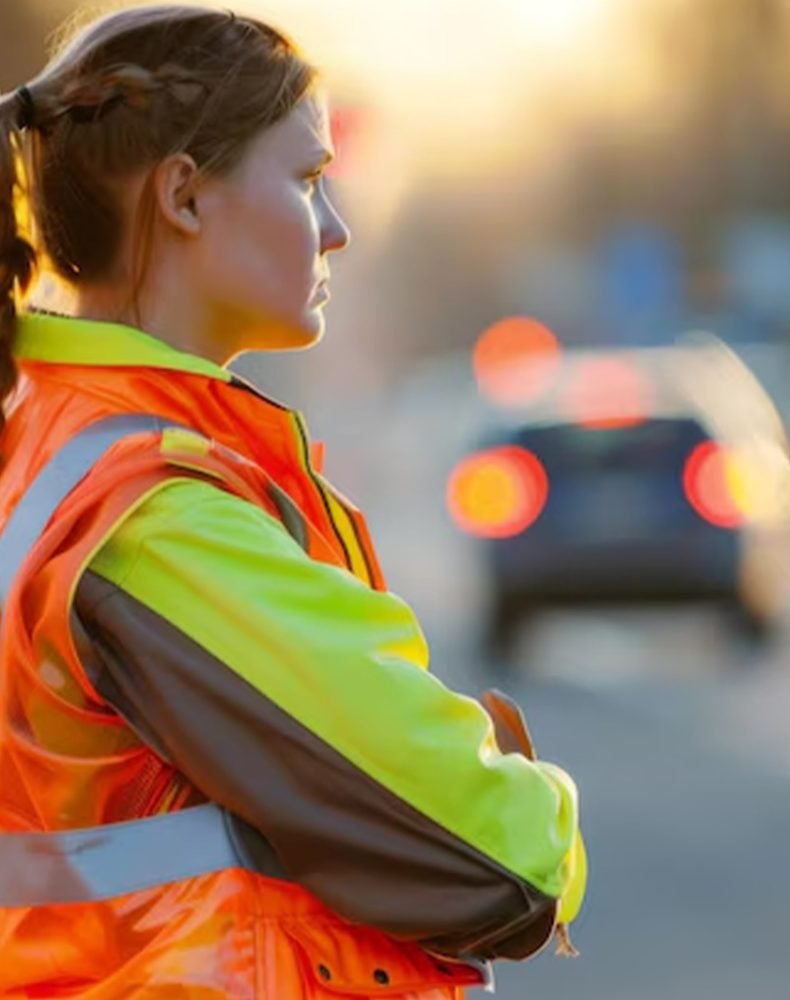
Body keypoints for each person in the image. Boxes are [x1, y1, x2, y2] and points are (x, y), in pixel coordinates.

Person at [0, 6, 586, 997]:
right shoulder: (151, 508)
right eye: (309, 178)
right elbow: (495, 853)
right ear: (185, 196)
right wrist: (546, 805)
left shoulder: (49, 441)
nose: (338, 227)